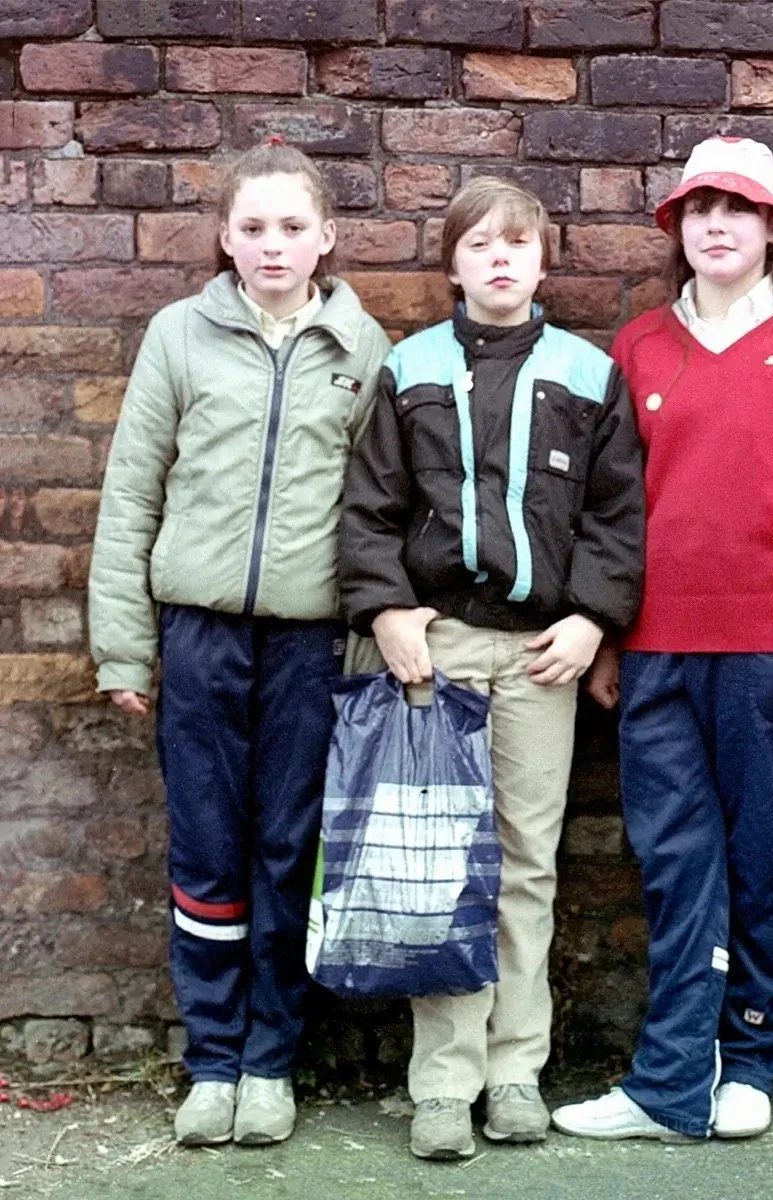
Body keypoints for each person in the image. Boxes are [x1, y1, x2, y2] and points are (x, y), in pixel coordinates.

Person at [551, 136, 773, 1143]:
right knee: (672, 857)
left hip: (771, 654)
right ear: (677, 226)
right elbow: (609, 511)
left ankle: (748, 1064)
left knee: (753, 854)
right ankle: (670, 1080)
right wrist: (608, 637)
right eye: (700, 209)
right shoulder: (641, 345)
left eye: (739, 208)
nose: (718, 224)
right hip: (655, 650)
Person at [88, 140, 391, 1148]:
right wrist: (125, 650)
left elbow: (375, 510)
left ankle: (271, 1060)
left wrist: (368, 635)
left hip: (310, 647)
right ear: (224, 239)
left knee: (286, 848)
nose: (273, 246)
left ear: (327, 238)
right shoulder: (181, 336)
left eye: (293, 227)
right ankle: (212, 1058)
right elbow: (132, 492)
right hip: (201, 636)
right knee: (208, 844)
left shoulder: (362, 349)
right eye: (253, 228)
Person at [338, 175, 645, 1161]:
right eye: (480, 245)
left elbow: (616, 514)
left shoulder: (587, 375)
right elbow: (371, 505)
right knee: (439, 867)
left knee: (525, 865)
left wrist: (596, 619)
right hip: (442, 643)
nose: (500, 259)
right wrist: (386, 608)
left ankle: (515, 1070)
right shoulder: (411, 367)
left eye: (517, 244)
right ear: (454, 265)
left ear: (543, 262)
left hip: (542, 654)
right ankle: (444, 1082)